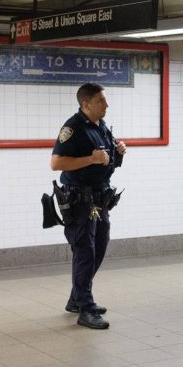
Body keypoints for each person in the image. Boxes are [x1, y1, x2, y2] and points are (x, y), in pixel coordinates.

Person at [51, 83, 126, 330]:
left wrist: (118, 152)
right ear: (86, 104)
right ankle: (85, 308)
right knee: (85, 252)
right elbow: (56, 163)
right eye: (101, 101)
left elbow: (107, 162)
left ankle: (76, 298)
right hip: (80, 201)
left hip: (99, 199)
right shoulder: (72, 128)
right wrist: (91, 159)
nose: (106, 105)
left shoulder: (100, 126)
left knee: (100, 247)